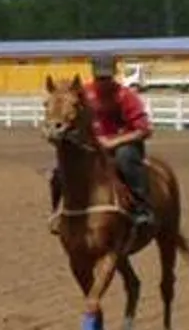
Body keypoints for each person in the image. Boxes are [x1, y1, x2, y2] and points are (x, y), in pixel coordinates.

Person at [50, 54, 155, 228]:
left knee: (126, 160)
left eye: (106, 77)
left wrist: (112, 142)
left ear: (113, 74)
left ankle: (142, 208)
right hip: (91, 145)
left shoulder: (125, 95)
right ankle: (58, 212)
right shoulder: (83, 94)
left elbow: (143, 129)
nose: (102, 81)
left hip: (122, 144)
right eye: (100, 77)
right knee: (59, 172)